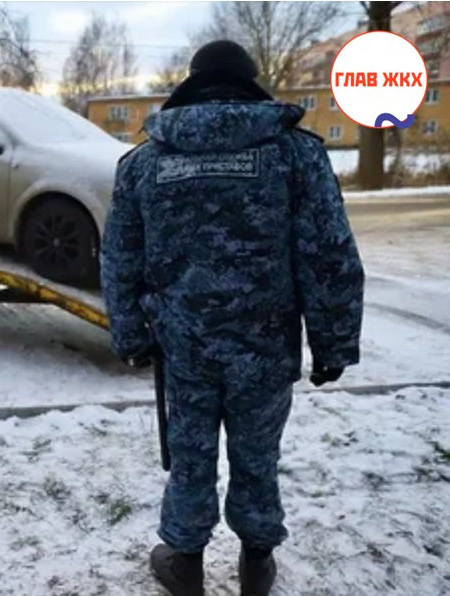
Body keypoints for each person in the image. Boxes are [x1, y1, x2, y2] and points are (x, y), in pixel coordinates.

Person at [101, 40, 364, 596]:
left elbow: (120, 258)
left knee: (191, 459)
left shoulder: (145, 162)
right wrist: (333, 343)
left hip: (184, 348)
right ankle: (256, 564)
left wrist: (129, 334)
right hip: (265, 349)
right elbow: (328, 253)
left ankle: (185, 564)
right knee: (257, 457)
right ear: (249, 83)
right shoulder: (296, 155)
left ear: (193, 84)